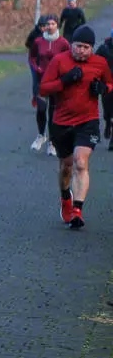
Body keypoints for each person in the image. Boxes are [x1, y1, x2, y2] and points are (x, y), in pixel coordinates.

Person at [38, 25, 113, 229]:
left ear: (91, 48)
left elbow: (110, 83)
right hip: (61, 123)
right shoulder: (59, 61)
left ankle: (77, 211)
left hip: (87, 121)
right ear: (71, 45)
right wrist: (65, 80)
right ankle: (65, 198)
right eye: (78, 46)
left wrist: (102, 88)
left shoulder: (100, 63)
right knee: (66, 167)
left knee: (81, 162)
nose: (81, 51)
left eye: (86, 47)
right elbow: (43, 88)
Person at [27, 14, 69, 154]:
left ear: (57, 25)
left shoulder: (63, 43)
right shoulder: (38, 41)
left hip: (56, 82)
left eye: (52, 23)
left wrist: (63, 73)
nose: (50, 26)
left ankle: (52, 142)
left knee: (53, 112)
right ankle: (40, 136)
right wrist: (36, 68)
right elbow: (32, 56)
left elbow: (69, 59)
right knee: (41, 108)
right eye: (48, 24)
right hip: (41, 81)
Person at [96, 28, 113, 150]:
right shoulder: (103, 49)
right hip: (107, 84)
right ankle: (108, 123)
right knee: (107, 111)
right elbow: (93, 62)